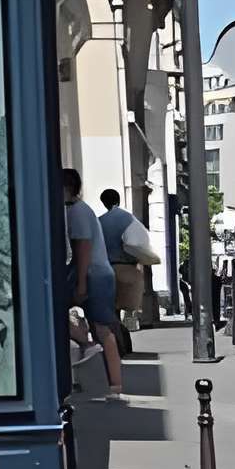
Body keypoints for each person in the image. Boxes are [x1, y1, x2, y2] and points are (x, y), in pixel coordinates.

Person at [63, 168, 122, 398]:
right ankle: (88, 350)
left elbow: (83, 248)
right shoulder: (79, 210)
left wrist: (81, 284)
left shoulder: (76, 212)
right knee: (101, 328)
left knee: (103, 329)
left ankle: (115, 385)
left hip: (94, 275)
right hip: (95, 273)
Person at [99, 188, 158, 338]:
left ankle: (115, 339)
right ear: (118, 200)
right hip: (126, 270)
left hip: (105, 269)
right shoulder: (128, 218)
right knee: (125, 307)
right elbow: (138, 243)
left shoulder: (99, 221)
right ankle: (122, 338)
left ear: (103, 203)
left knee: (111, 309)